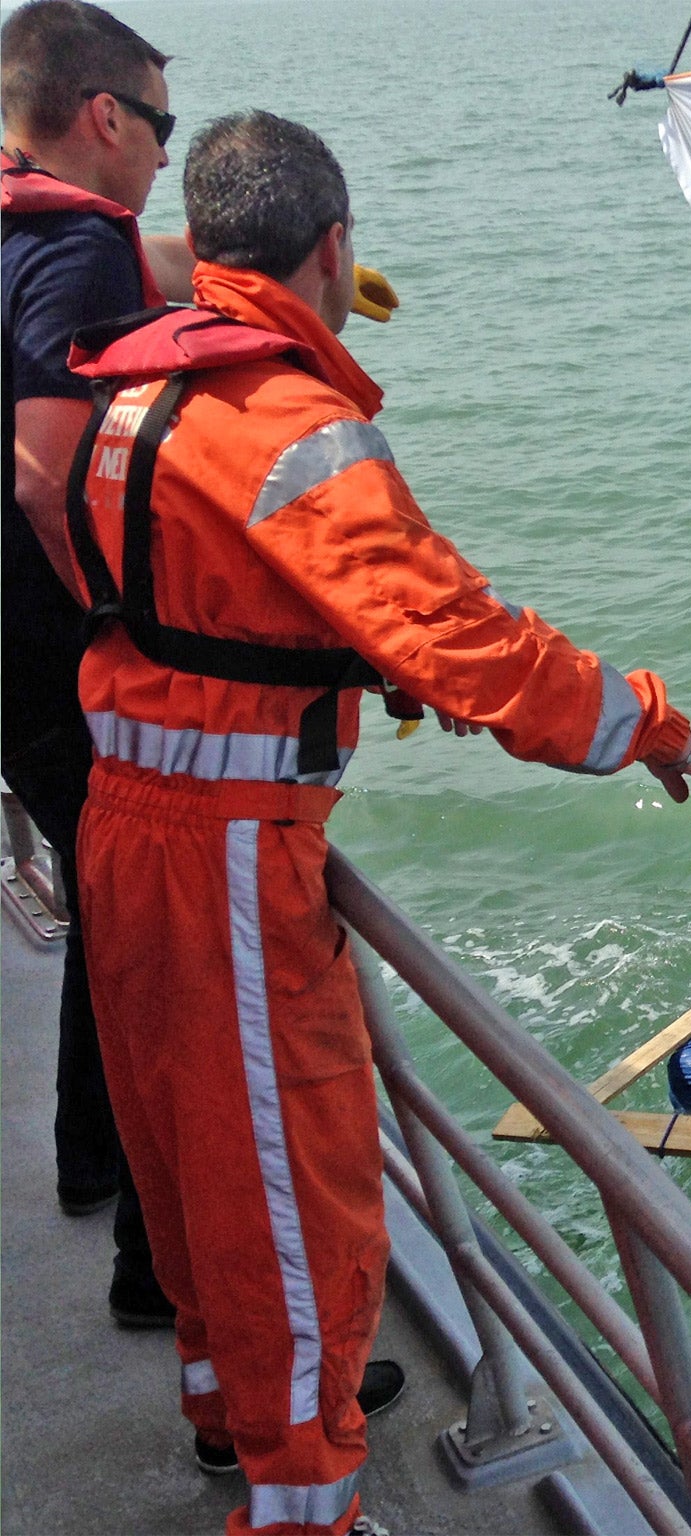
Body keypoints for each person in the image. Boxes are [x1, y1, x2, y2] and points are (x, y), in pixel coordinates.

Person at [65, 109, 691, 1536]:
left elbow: (180, 597)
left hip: (121, 820)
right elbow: (472, 646)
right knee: (290, 1200)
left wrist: (330, 651)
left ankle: (224, 1425)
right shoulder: (293, 423)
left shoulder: (139, 396)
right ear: (334, 248)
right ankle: (304, 1509)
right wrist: (653, 723)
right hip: (231, 850)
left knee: (184, 1167)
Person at [1, 0, 181, 1328]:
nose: (166, 154)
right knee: (132, 930)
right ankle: (143, 1253)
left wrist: (241, 272)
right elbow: (45, 471)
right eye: (160, 125)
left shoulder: (26, 229)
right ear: (103, 117)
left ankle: (82, 1160)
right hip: (47, 652)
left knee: (94, 900)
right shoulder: (75, 244)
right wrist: (114, 609)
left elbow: (123, 270)